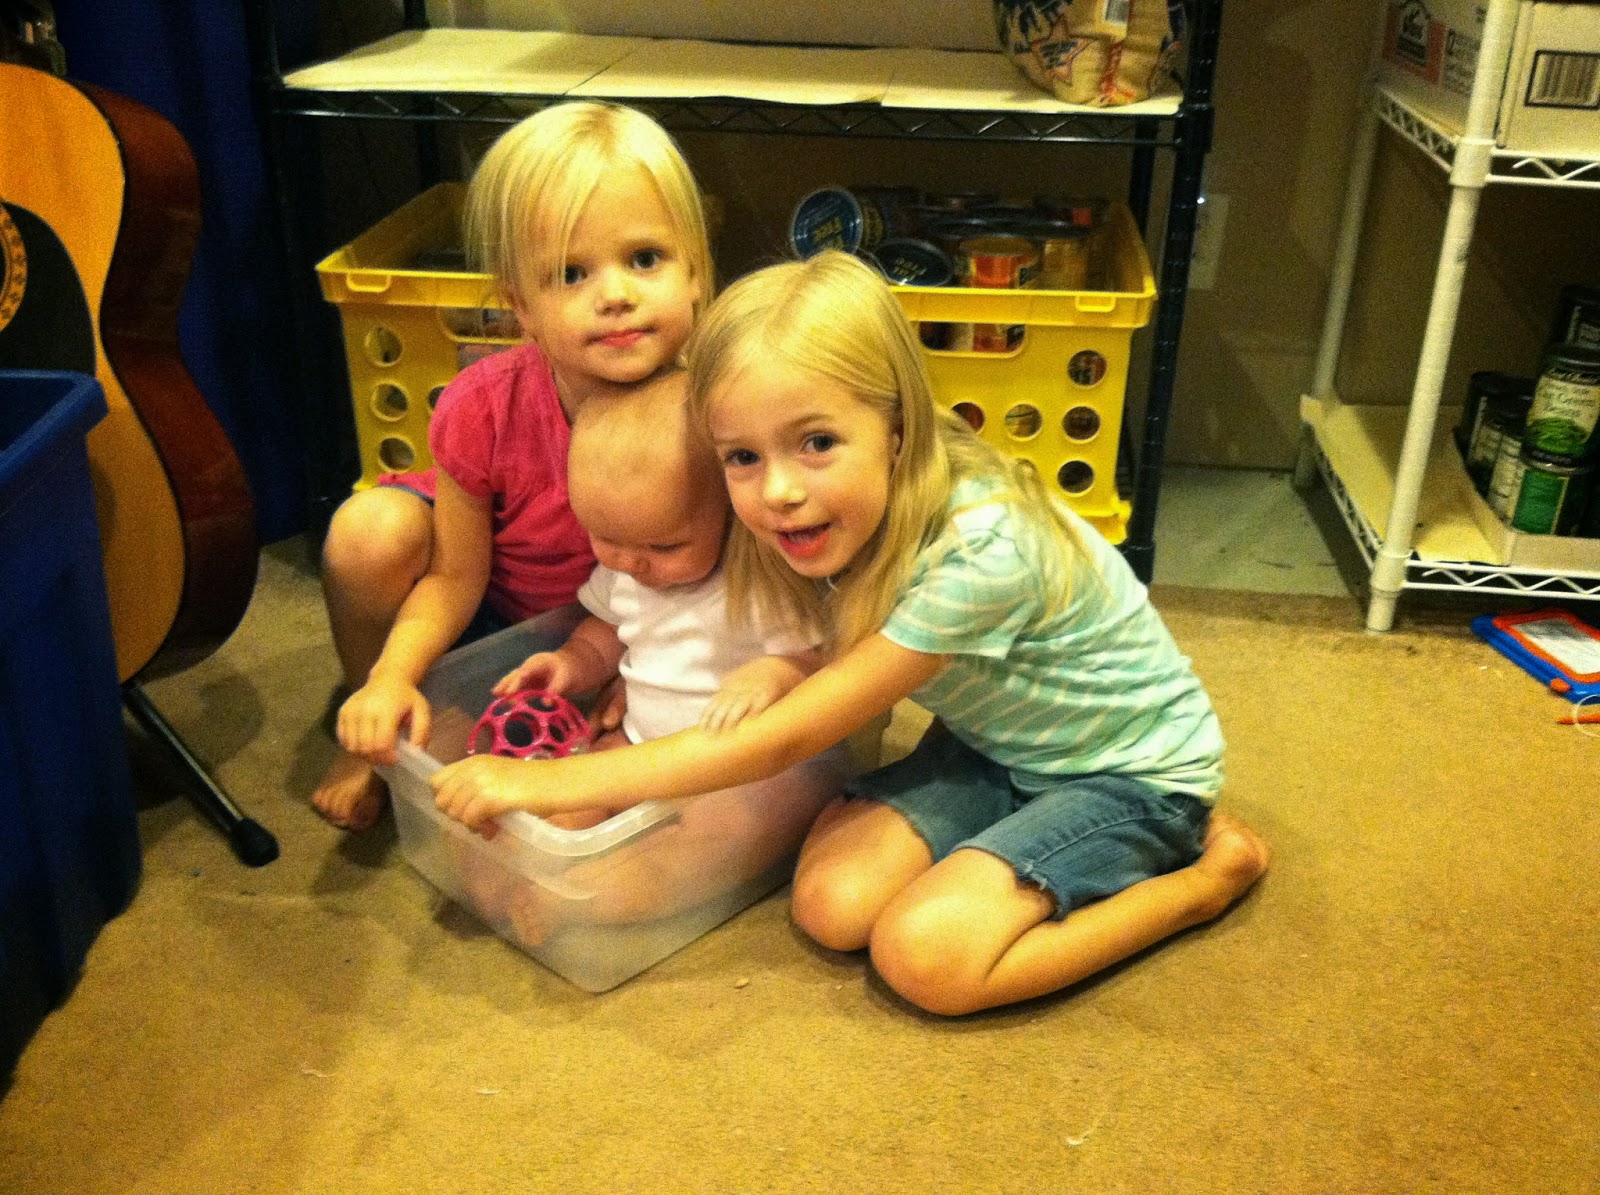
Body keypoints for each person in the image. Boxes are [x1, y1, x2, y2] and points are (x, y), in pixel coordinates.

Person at [430, 250, 1270, 1016]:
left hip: (1127, 774)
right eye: (742, 457)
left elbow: (782, 740)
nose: (778, 492)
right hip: (989, 744)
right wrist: (790, 665)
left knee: (925, 958)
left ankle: (1202, 884)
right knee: (830, 907)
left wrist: (547, 783)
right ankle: (1005, 857)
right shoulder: (838, 513)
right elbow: (812, 640)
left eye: (818, 442)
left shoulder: (982, 549)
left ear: (897, 427)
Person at [314, 100, 715, 830]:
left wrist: (650, 670)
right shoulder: (484, 405)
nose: (616, 295)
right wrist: (392, 677)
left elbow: (729, 580)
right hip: (489, 617)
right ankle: (368, 725)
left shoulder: (722, 404)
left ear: (695, 271)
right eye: (571, 273)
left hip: (621, 621)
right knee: (367, 534)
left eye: (645, 259)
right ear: (519, 306)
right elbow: (454, 578)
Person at [462, 375, 845, 944]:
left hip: (739, 771)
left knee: (693, 850)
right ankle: (520, 872)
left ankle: (585, 900)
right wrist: (570, 663)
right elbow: (607, 633)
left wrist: (777, 671)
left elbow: (830, 662)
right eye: (605, 539)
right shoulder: (626, 568)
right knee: (564, 807)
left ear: (731, 512)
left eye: (664, 546)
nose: (631, 563)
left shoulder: (761, 582)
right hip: (638, 744)